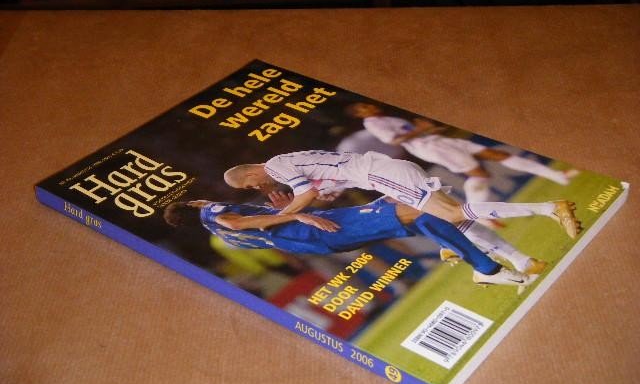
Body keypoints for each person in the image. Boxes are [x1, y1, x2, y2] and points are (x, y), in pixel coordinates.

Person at [164, 197, 544, 287]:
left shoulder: (217, 236)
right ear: (192, 205)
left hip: (312, 242)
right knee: (418, 206)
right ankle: (490, 264)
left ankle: (484, 265)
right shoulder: (213, 214)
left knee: (418, 216)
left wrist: (284, 210)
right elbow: (238, 219)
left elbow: (256, 230)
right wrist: (294, 215)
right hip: (317, 230)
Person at [223, 150, 581, 240]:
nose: (254, 188)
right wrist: (321, 196)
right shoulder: (286, 163)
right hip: (381, 172)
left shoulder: (275, 168)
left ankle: (550, 208)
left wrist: (284, 215)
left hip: (381, 174)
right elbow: (324, 186)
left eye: (248, 185)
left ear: (250, 174)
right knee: (448, 215)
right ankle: (498, 261)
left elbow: (304, 193)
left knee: (452, 214)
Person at [345, 102, 578, 202]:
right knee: (479, 175)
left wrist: (430, 129)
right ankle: (477, 213)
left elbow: (408, 133)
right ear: (359, 115)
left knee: (495, 155)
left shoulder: (385, 117)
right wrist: (421, 129)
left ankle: (558, 176)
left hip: (437, 141)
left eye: (367, 104)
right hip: (432, 148)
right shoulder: (373, 124)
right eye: (364, 107)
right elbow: (394, 140)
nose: (370, 106)